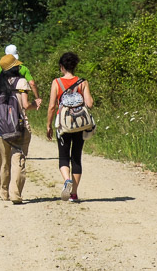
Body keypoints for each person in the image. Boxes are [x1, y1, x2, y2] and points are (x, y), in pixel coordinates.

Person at [0, 54, 41, 204]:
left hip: (1, 128)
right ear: (15, 67)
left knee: (4, 161)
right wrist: (36, 104)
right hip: (20, 127)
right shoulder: (21, 82)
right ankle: (16, 193)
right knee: (18, 159)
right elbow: (26, 106)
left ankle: (3, 192)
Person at [46, 51, 94, 203]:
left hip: (64, 124)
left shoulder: (56, 82)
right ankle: (74, 194)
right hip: (79, 125)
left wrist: (48, 125)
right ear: (75, 66)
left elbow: (52, 106)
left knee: (63, 156)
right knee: (76, 157)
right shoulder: (83, 82)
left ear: (61, 67)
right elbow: (90, 103)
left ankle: (67, 180)